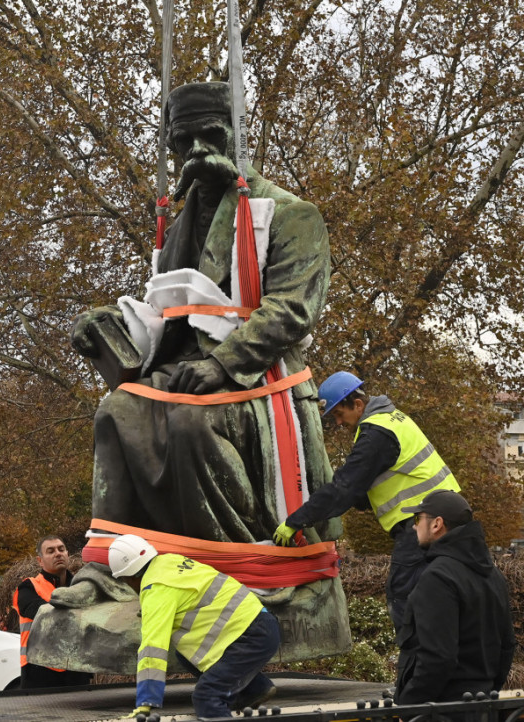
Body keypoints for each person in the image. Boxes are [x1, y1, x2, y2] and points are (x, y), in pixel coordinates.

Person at [72, 81, 335, 545]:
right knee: (115, 411)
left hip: (254, 376)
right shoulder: (177, 228)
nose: (196, 150)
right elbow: (165, 310)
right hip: (182, 370)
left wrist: (220, 364)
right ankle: (115, 553)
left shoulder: (292, 214)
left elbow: (292, 310)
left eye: (210, 135)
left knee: (190, 423)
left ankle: (228, 552)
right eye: (183, 141)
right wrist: (109, 321)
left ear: (238, 136)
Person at [272, 371, 460, 631]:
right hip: (446, 517)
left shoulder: (376, 434)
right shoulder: (393, 419)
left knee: (405, 596)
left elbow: (344, 488)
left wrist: (296, 521)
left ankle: (418, 653)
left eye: (339, 414)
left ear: (357, 404)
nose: (338, 422)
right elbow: (364, 486)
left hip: (423, 523)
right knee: (444, 594)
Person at [108, 534, 280, 720]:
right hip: (260, 624)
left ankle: (242, 693)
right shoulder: (170, 561)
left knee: (207, 697)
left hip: (250, 636)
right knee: (186, 654)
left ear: (130, 576)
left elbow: (152, 649)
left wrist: (145, 702)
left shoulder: (156, 590)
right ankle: (254, 689)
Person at [394, 490, 515, 704]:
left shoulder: (437, 577)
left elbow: (437, 658)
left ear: (437, 524)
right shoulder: (493, 575)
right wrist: (487, 691)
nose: (414, 526)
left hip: (442, 709)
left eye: (418, 519)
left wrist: (409, 706)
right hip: (482, 706)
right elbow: (507, 647)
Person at [12, 536, 92, 688]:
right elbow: (42, 613)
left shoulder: (82, 587)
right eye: (51, 551)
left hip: (77, 669)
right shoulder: (29, 587)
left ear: (67, 554)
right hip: (39, 672)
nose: (58, 553)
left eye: (61, 549)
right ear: (40, 561)